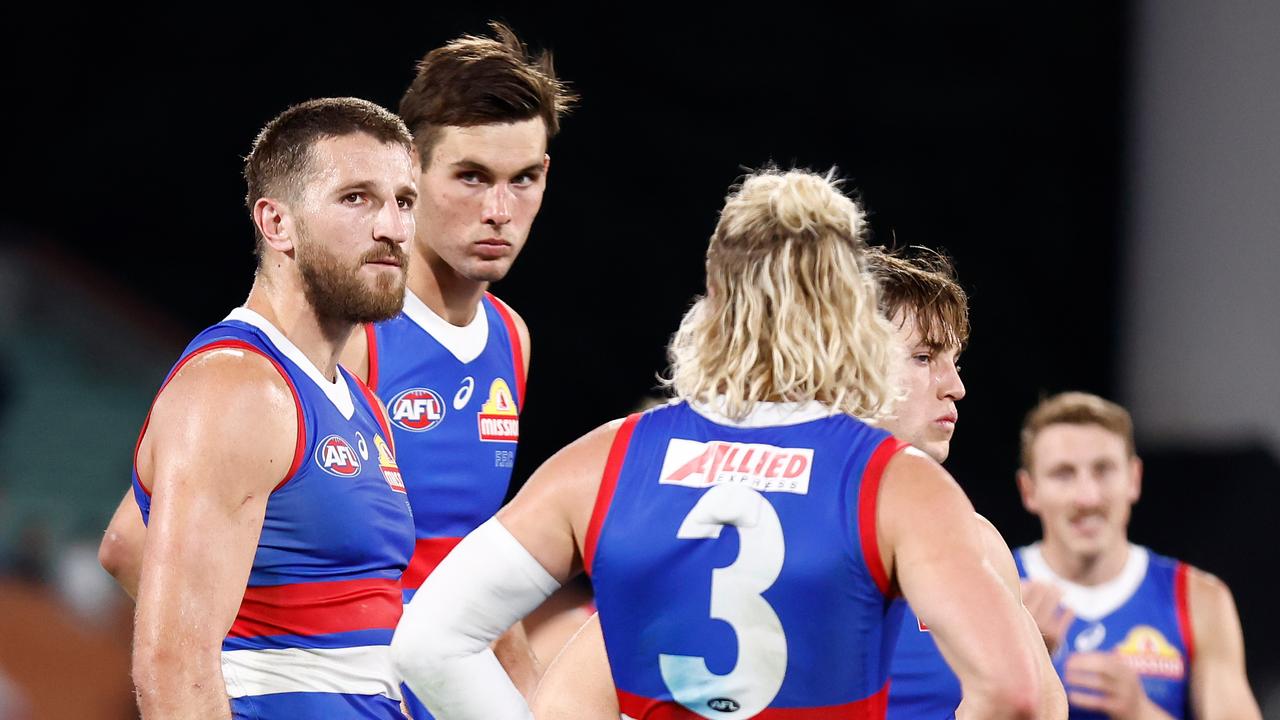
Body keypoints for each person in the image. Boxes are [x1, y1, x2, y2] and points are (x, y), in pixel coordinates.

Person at [391, 168, 1045, 719]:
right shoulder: (896, 482)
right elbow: (1017, 695)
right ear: (851, 311)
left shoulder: (607, 460)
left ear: (714, 301)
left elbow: (428, 643)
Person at [98, 22, 576, 714]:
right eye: (471, 177)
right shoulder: (313, 352)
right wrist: (275, 670)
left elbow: (470, 578)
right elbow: (135, 551)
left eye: (523, 179)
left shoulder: (507, 339)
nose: (499, 211)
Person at [528, 247, 1066, 719]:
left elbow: (1039, 706)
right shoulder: (728, 528)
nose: (956, 387)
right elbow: (568, 704)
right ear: (847, 365)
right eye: (924, 358)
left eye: (953, 361)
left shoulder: (976, 540)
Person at [130, 97, 419, 719]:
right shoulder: (237, 389)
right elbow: (173, 664)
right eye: (356, 198)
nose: (392, 228)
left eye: (404, 201)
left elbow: (127, 543)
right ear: (276, 223)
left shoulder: (357, 400)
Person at [1014, 392, 1262, 719]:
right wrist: (1016, 667)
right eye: (1063, 473)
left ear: (1134, 478)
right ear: (1029, 491)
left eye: (1103, 470)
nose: (1087, 497)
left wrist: (1140, 711)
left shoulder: (1198, 598)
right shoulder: (994, 588)